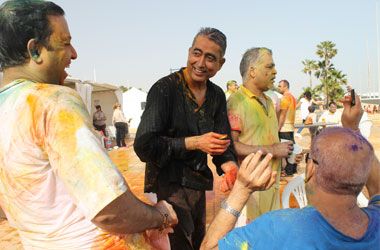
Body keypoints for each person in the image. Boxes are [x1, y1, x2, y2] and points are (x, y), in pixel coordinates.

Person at [0, 1, 178, 249]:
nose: (74, 54)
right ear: (35, 50)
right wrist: (160, 216)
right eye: (65, 43)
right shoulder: (52, 102)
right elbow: (110, 210)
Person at [201, 94, 380, 250]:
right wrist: (352, 130)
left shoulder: (280, 227)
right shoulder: (376, 220)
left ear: (310, 169)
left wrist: (241, 190)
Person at [134, 27, 238, 250]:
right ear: (189, 52)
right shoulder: (164, 89)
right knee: (177, 244)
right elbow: (144, 146)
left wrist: (229, 166)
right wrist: (194, 142)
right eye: (197, 53)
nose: (200, 63)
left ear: (221, 64)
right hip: (166, 185)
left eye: (210, 58)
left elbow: (222, 143)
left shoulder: (217, 95)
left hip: (197, 185)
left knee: (199, 240)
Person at [227, 47, 293, 221]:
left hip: (271, 186)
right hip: (251, 194)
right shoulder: (237, 102)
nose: (275, 71)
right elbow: (232, 146)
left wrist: (285, 156)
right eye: (269, 67)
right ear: (252, 71)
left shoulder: (269, 101)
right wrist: (273, 150)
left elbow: (270, 139)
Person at [277, 79, 298, 176]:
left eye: (280, 86)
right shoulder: (293, 97)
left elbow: (283, 114)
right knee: (291, 149)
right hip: (290, 127)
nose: (278, 88)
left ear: (285, 86)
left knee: (286, 151)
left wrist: (278, 127)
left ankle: (288, 172)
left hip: (284, 127)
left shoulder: (285, 98)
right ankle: (292, 170)